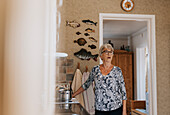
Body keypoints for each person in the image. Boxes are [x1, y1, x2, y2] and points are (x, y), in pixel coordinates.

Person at [72, 44, 127, 115]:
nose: (109, 54)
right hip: (100, 109)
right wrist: (74, 94)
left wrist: (124, 110)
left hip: (116, 108)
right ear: (101, 56)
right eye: (106, 52)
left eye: (111, 52)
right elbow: (86, 85)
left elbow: (123, 91)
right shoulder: (95, 70)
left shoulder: (117, 70)